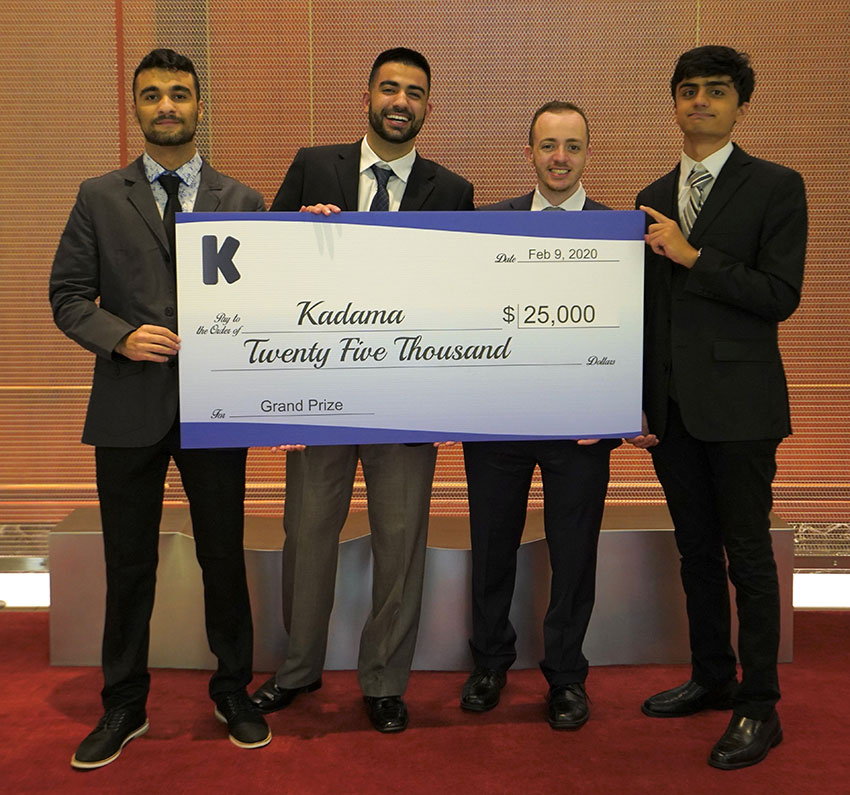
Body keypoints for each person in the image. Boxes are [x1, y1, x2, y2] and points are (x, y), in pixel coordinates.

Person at [49, 48, 269, 769]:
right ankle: (124, 703)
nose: (166, 106)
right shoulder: (96, 196)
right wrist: (121, 335)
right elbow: (68, 297)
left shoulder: (242, 200)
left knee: (222, 556)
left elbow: (269, 303)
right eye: (152, 96)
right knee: (129, 561)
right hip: (127, 406)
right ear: (136, 108)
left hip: (217, 408)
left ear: (200, 107)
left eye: (179, 94)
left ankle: (233, 688)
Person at [250, 48, 474, 733]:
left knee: (400, 542)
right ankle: (296, 668)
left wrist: (455, 400)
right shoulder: (314, 165)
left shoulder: (453, 190)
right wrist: (298, 235)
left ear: (428, 107)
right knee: (306, 533)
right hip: (319, 392)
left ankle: (383, 679)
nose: (399, 100)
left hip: (408, 400)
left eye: (413, 92)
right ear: (368, 96)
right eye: (389, 88)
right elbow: (266, 270)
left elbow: (462, 299)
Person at [629, 46, 806, 769]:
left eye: (717, 91)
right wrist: (636, 402)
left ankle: (759, 704)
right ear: (673, 102)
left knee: (748, 556)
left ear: (741, 105)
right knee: (696, 552)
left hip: (741, 408)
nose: (700, 101)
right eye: (688, 90)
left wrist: (694, 256)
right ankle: (711, 674)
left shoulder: (776, 186)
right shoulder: (652, 191)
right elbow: (645, 313)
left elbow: (779, 296)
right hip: (671, 413)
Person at [460, 102, 619, 729]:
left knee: (574, 556)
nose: (560, 158)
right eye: (548, 145)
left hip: (581, 428)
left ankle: (566, 677)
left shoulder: (618, 231)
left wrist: (618, 406)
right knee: (491, 548)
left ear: (587, 154)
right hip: (497, 424)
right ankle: (490, 664)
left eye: (573, 146)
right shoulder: (484, 225)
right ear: (528, 152)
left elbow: (631, 328)